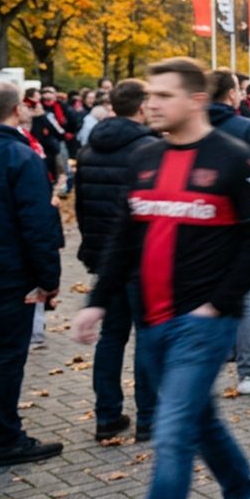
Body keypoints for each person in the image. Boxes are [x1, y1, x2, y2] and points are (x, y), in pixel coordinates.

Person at [74, 58, 250, 499]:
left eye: (164, 95)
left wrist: (221, 305)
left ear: (193, 99)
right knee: (200, 421)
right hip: (152, 322)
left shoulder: (235, 160)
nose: (152, 104)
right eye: (149, 96)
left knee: (172, 441)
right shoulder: (144, 156)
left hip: (202, 326)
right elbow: (123, 240)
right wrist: (95, 301)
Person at [74, 79, 159, 442]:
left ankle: (107, 415)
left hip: (103, 260)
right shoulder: (150, 150)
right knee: (146, 337)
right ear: (141, 107)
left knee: (111, 337)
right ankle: (148, 418)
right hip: (139, 262)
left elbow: (80, 209)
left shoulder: (90, 149)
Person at [0, 81, 63, 466]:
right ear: (17, 109)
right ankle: (6, 436)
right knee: (7, 357)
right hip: (10, 277)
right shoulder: (19, 157)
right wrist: (49, 279)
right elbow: (37, 226)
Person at [205, 70, 250, 397]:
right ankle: (248, 372)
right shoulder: (247, 128)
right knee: (249, 301)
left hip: (204, 231)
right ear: (232, 94)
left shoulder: (193, 129)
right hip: (242, 228)